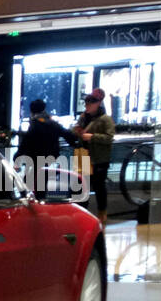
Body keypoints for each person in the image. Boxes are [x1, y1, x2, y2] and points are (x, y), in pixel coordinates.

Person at [15, 98, 79, 195]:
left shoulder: (35, 123)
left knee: (28, 182)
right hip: (50, 158)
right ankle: (40, 201)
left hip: (35, 158)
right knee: (41, 182)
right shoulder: (52, 122)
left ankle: (31, 203)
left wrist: (17, 156)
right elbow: (67, 135)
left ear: (32, 110)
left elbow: (26, 142)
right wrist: (76, 142)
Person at [73, 89, 115, 225]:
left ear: (98, 104)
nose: (87, 107)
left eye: (89, 104)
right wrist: (78, 131)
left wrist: (93, 137)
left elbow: (109, 137)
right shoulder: (84, 117)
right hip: (84, 156)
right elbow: (74, 129)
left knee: (99, 187)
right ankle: (82, 213)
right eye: (86, 104)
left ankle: (102, 212)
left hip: (99, 158)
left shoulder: (105, 119)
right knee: (83, 185)